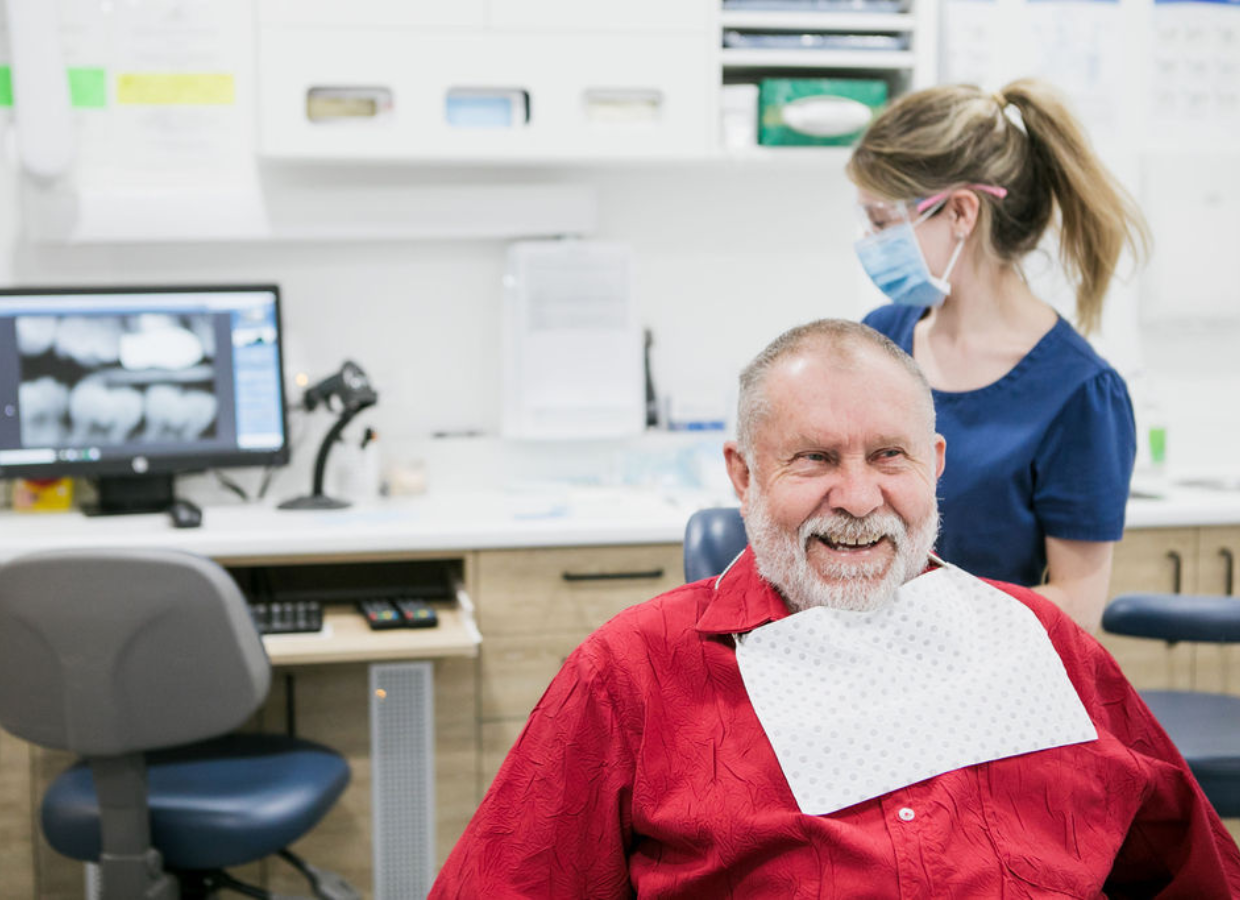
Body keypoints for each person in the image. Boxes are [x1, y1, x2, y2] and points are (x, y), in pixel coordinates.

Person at [431, 320, 1240, 899]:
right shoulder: (633, 675)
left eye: (890, 456)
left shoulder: (1037, 638)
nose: (858, 498)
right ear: (743, 476)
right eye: (814, 459)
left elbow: (1193, 870)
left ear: (935, 463)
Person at [848, 79, 1149, 633]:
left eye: (883, 222)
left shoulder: (1080, 394)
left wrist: (921, 618)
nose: (868, 241)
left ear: (961, 213)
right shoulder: (878, 342)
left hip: (995, 687)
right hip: (866, 660)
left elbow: (1077, 603)